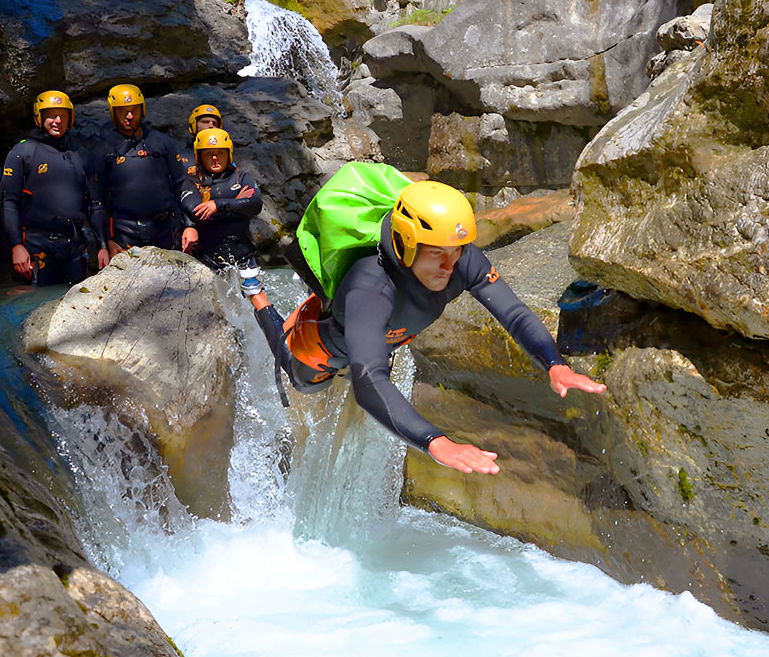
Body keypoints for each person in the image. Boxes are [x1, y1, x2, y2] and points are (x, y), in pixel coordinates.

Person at [257, 180, 606, 474]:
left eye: (456, 251)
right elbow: (369, 383)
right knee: (301, 378)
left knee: (371, 358)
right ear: (406, 244)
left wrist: (555, 363)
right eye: (437, 254)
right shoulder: (370, 289)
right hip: (326, 346)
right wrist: (435, 442)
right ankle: (261, 301)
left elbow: (514, 313)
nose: (450, 266)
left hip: (383, 339)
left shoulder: (459, 259)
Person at [1, 90, 108, 285]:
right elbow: (10, 202)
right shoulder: (22, 152)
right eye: (51, 116)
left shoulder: (79, 154)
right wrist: (16, 245)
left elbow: (94, 204)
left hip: (73, 247)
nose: (57, 120)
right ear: (39, 117)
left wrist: (102, 245)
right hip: (36, 248)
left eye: (63, 116)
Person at [90, 84, 199, 257]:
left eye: (134, 110)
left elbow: (182, 185)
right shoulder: (102, 150)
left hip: (165, 230)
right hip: (124, 235)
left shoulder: (162, 142)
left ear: (142, 110)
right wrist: (105, 243)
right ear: (113, 113)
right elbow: (97, 202)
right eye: (123, 111)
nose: (129, 116)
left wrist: (191, 226)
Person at [183, 127, 273, 311]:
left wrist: (218, 205)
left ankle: (278, 335)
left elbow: (254, 204)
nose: (215, 158)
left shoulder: (242, 177)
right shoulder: (192, 182)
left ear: (229, 154)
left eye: (220, 153)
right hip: (207, 258)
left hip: (242, 253)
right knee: (215, 309)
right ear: (199, 157)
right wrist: (236, 204)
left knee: (256, 296)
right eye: (209, 154)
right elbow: (194, 211)